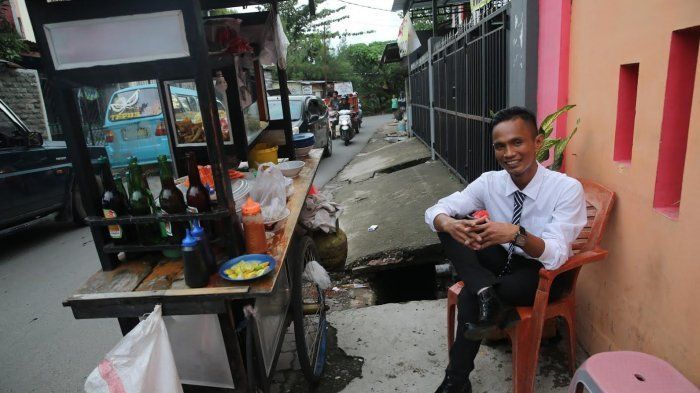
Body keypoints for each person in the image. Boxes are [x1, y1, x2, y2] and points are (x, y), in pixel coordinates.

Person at [424, 107, 587, 393]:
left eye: (517, 142)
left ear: (538, 142)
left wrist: (516, 234)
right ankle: (487, 292)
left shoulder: (566, 189)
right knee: (450, 227)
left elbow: (557, 253)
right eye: (500, 146)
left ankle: (456, 382)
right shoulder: (490, 181)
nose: (508, 153)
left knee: (469, 298)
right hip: (500, 261)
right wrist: (448, 222)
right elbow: (436, 209)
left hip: (541, 273)